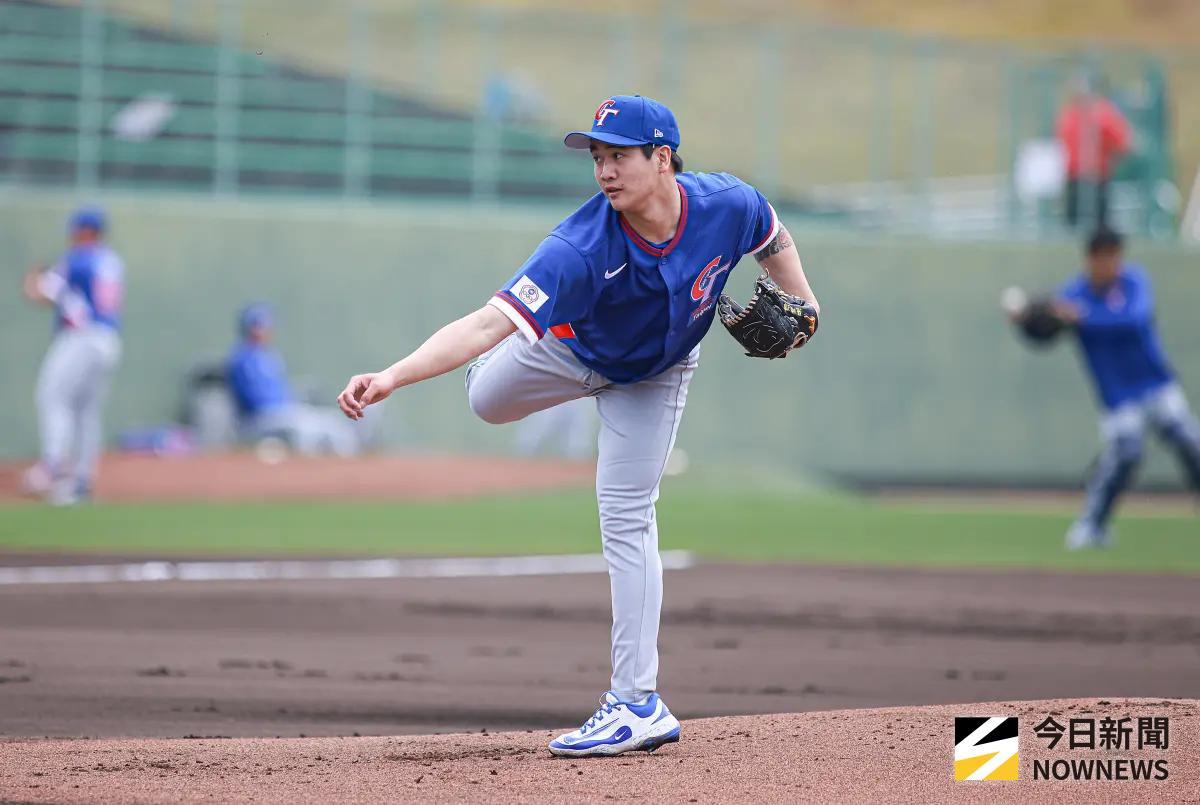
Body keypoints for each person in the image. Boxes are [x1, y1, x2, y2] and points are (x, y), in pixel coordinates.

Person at [336, 95, 819, 756]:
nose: (604, 170)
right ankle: (512, 350)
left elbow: (772, 234)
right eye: (596, 156)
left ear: (662, 158)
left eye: (618, 155)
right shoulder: (578, 246)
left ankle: (636, 703)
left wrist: (805, 301)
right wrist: (393, 375)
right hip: (566, 353)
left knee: (627, 517)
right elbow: (483, 323)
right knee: (486, 399)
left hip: (656, 373)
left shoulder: (726, 205)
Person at [1050, 229, 1200, 549]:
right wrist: (1029, 316)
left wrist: (1081, 315)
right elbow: (1047, 326)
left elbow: (1134, 318)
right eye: (1104, 257)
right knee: (1127, 454)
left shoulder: (1133, 281)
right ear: (1091, 259)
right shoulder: (1073, 292)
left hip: (1157, 383)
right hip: (1118, 395)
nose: (1111, 265)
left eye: (1115, 257)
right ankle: (1092, 526)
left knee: (1191, 443)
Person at [21, 206, 124, 505]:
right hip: (108, 339)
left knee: (53, 397)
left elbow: (40, 293)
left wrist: (33, 278)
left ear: (86, 231)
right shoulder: (111, 260)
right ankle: (82, 479)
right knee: (86, 411)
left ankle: (53, 468)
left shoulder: (78, 259)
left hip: (80, 337)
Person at [226, 303, 376, 457]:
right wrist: (286, 408)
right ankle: (308, 468)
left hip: (283, 413)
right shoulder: (241, 358)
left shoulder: (270, 355)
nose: (263, 330)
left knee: (328, 421)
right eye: (257, 325)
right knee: (305, 428)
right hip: (259, 419)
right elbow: (255, 401)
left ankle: (348, 459)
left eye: (265, 325)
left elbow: (281, 392)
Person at [1056, 78, 1131, 229]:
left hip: (1095, 177)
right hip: (1079, 177)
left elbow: (1121, 144)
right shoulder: (1074, 114)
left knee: (1095, 226)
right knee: (1077, 225)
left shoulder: (1099, 114)